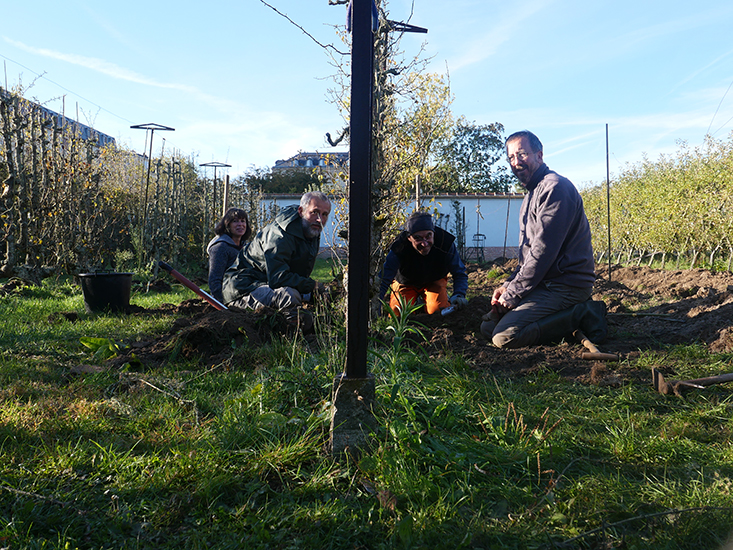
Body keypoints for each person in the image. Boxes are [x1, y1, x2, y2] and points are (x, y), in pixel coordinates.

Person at [481, 130, 606, 348]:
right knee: (487, 327)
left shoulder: (555, 188)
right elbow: (528, 256)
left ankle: (581, 313)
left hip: (566, 284)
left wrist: (514, 295)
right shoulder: (531, 194)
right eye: (511, 157)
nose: (516, 162)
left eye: (522, 154)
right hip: (545, 283)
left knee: (504, 338)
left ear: (539, 155)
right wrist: (507, 285)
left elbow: (542, 252)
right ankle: (559, 318)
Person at [221, 191, 331, 330]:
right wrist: (313, 285)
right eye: (314, 212)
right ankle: (291, 336)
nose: (320, 219)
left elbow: (300, 275)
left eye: (325, 214)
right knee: (289, 296)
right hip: (243, 288)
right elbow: (277, 278)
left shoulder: (310, 229)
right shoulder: (279, 235)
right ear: (301, 211)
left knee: (321, 293)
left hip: (266, 283)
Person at [379, 211, 468, 315]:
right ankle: (416, 304)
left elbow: (459, 272)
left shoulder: (445, 243)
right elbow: (384, 279)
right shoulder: (399, 247)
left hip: (434, 281)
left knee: (438, 311)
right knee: (398, 314)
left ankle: (429, 303)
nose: (424, 243)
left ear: (433, 232)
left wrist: (459, 294)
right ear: (409, 238)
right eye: (418, 238)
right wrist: (375, 304)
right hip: (405, 283)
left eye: (428, 236)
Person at [206, 208, 252, 303]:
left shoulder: (246, 247)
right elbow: (215, 280)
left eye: (243, 221)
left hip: (248, 290)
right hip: (232, 297)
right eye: (235, 221)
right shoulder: (220, 248)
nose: (240, 224)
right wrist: (221, 303)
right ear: (227, 225)